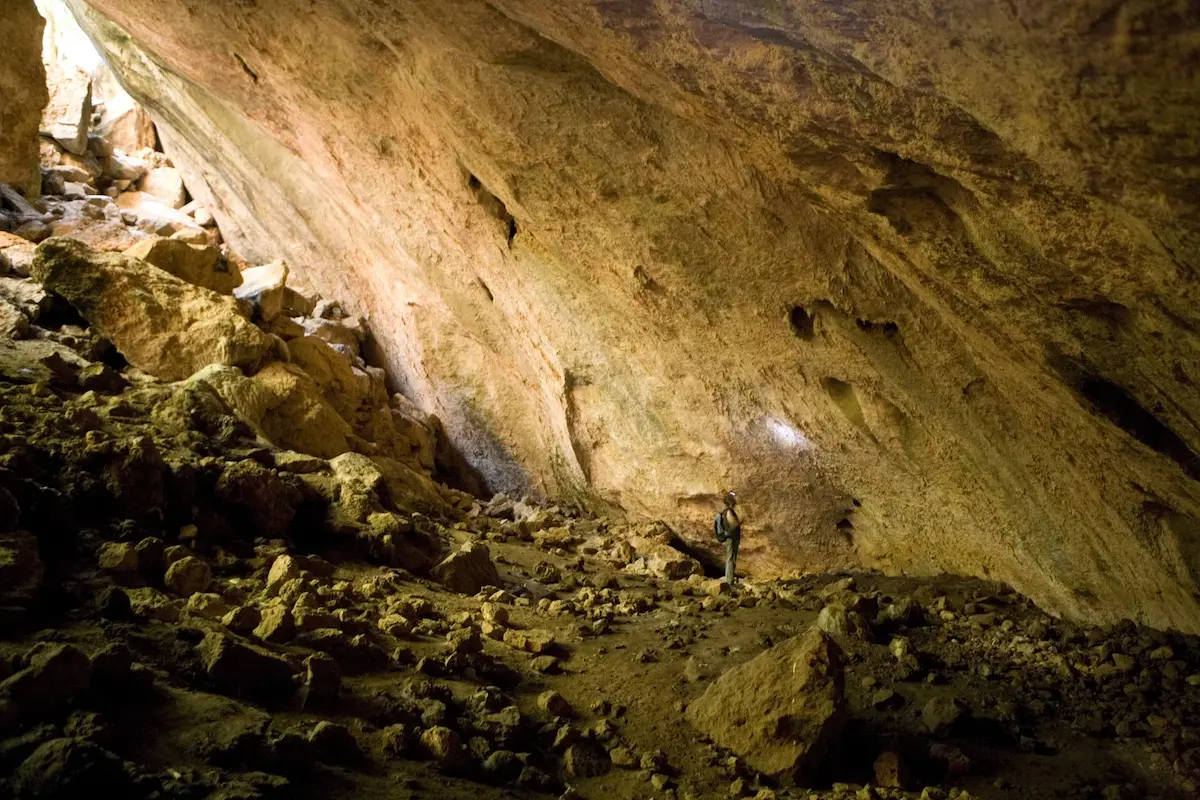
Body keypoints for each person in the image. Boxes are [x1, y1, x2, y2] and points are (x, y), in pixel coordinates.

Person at [716, 491, 742, 587]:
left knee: (732, 558)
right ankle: (729, 580)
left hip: (732, 538)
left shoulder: (727, 511)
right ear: (731, 502)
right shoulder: (728, 512)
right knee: (731, 558)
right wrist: (741, 520)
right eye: (734, 500)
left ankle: (730, 579)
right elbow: (734, 524)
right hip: (731, 538)